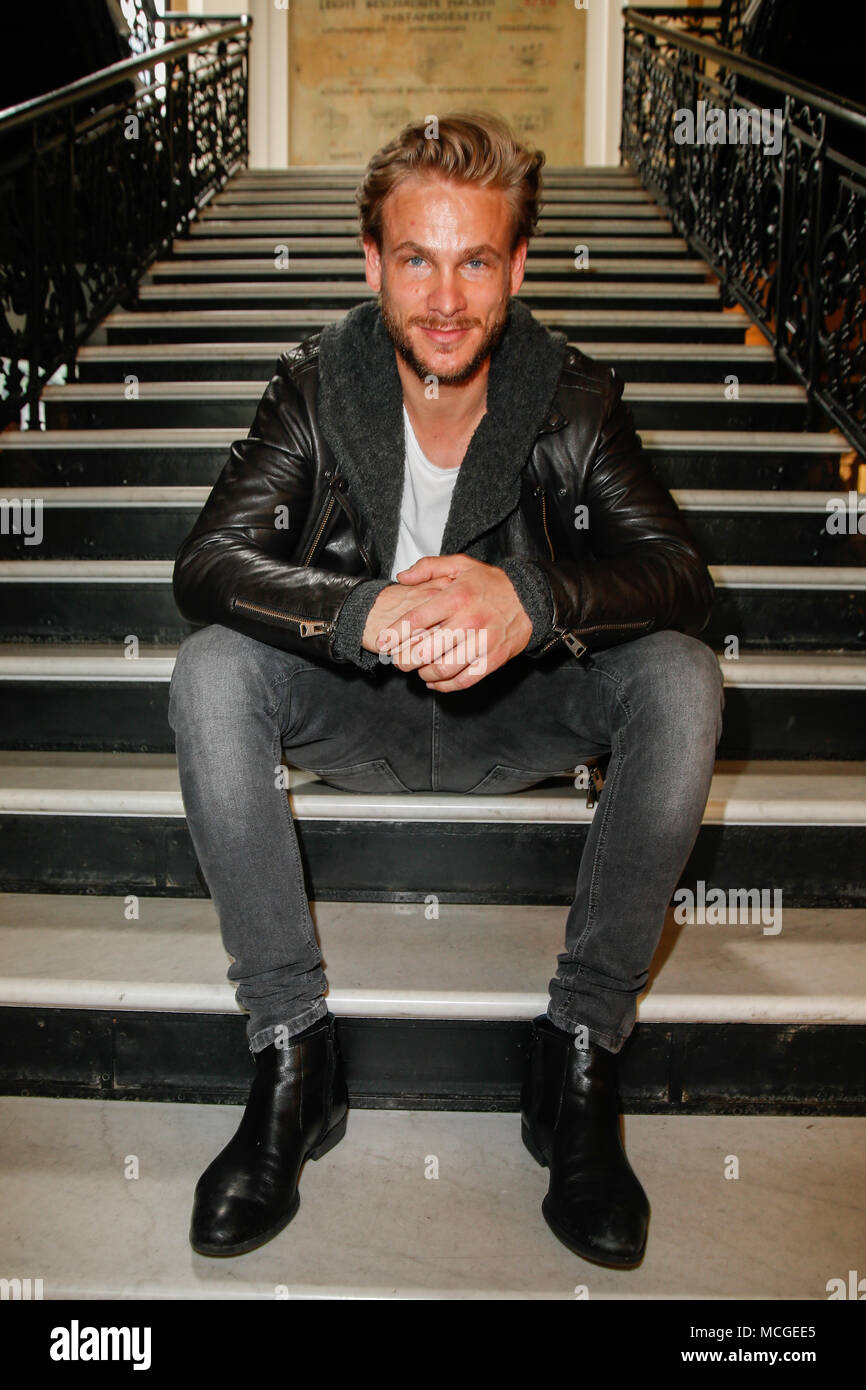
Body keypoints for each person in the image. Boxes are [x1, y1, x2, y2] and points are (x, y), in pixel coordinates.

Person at [168, 112, 724, 1269]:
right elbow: (208, 562)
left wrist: (534, 598)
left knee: (679, 676)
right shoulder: (314, 387)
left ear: (517, 268)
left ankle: (576, 1051)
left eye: (475, 259)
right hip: (356, 708)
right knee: (212, 670)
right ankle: (291, 1053)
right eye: (415, 257)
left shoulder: (571, 397)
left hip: (518, 713)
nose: (443, 296)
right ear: (370, 263)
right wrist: (358, 610)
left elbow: (679, 576)